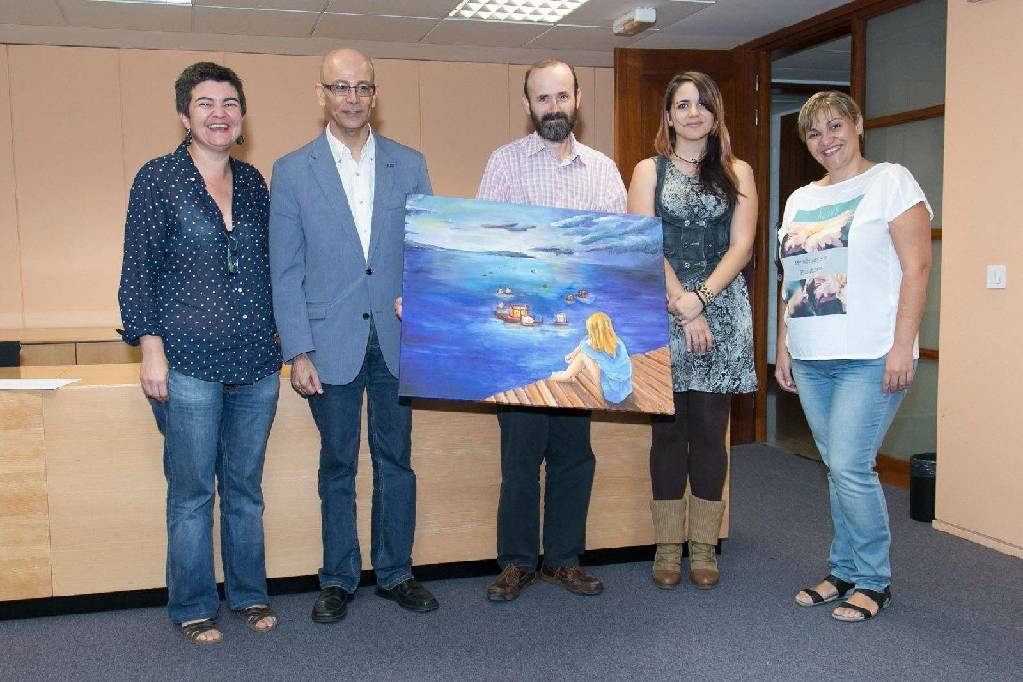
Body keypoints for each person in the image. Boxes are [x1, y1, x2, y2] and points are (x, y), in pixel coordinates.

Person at [269, 48, 438, 622]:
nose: (352, 98)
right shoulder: (292, 171)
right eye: (340, 87)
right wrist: (297, 349)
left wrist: (424, 306)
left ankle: (395, 573)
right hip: (328, 344)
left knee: (396, 462)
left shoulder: (410, 164)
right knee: (338, 465)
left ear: (375, 94)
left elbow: (428, 254)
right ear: (321, 95)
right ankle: (338, 579)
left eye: (362, 87)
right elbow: (285, 271)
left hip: (396, 339)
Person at [118, 62, 282, 644]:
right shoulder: (158, 179)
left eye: (230, 103)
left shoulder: (254, 182)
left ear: (242, 114)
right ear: (184, 116)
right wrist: (150, 350)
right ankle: (192, 605)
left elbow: (270, 266)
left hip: (256, 363)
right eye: (205, 103)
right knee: (192, 494)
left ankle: (248, 595)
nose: (220, 113)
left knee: (245, 491)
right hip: (187, 362)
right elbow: (138, 271)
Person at [775, 91, 931, 622]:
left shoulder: (891, 182)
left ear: (858, 124)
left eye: (836, 126)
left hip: (871, 353)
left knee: (850, 465)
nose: (827, 139)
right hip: (811, 356)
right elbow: (793, 280)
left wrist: (902, 346)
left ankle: (873, 580)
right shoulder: (800, 200)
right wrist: (785, 346)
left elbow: (917, 268)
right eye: (814, 132)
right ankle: (843, 570)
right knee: (838, 469)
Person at [478, 58, 627, 602]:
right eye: (543, 98)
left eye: (562, 96)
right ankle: (517, 562)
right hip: (522, 338)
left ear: (578, 98)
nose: (554, 107)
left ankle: (563, 559)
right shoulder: (504, 164)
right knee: (519, 458)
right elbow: (488, 244)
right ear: (528, 105)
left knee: (573, 455)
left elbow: (617, 251)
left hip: (578, 336)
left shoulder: (603, 171)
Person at [627, 72, 757, 590]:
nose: (693, 113)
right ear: (669, 116)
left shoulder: (738, 171)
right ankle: (666, 547)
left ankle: (703, 547)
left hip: (722, 311)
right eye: (682, 104)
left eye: (702, 103)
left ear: (715, 112)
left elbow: (742, 246)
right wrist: (684, 305)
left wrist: (700, 300)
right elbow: (644, 242)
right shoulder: (647, 171)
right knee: (667, 433)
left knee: (708, 433)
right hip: (662, 308)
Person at [551, 311, 633, 405]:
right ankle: (569, 374)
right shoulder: (617, 342)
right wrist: (573, 354)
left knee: (583, 355)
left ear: (594, 332)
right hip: (625, 389)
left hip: (610, 394)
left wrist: (574, 355)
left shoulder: (593, 351)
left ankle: (566, 376)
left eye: (590, 331)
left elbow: (585, 345)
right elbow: (587, 339)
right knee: (585, 353)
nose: (589, 333)